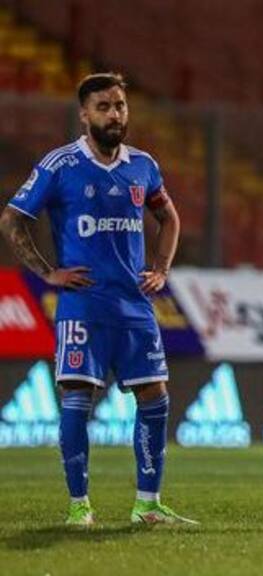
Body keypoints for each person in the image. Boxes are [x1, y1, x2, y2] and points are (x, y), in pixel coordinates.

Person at [0, 73, 195, 526]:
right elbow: (12, 220)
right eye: (104, 107)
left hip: (134, 307)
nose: (114, 114)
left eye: (120, 105)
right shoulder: (60, 164)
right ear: (84, 114)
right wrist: (49, 272)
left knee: (155, 396)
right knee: (76, 399)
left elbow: (169, 218)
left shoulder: (143, 165)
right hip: (83, 305)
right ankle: (79, 507)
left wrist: (162, 268)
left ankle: (147, 505)